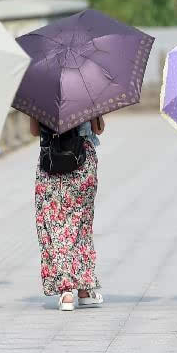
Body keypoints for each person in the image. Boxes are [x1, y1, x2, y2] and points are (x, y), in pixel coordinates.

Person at [31, 116, 105, 311]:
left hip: (51, 162)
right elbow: (98, 129)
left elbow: (34, 131)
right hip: (81, 161)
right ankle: (84, 289)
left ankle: (66, 293)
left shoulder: (41, 97)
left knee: (54, 226)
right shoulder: (87, 92)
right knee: (81, 224)